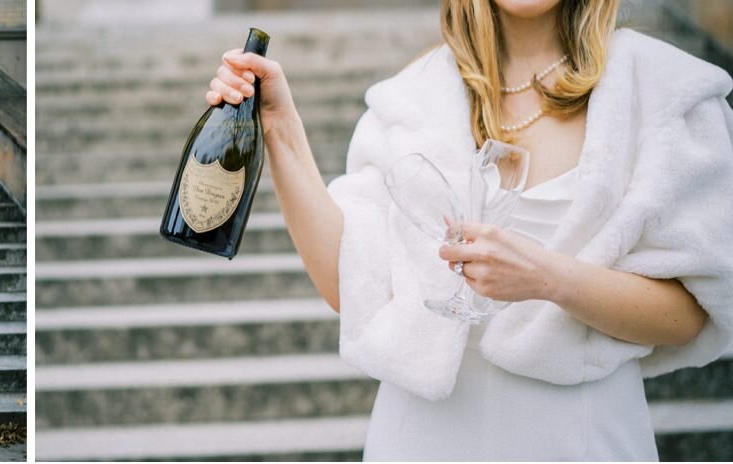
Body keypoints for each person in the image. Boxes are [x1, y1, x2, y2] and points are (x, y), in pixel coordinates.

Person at [204, 0, 732, 459]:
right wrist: (279, 127)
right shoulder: (411, 98)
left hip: (583, 438)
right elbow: (350, 287)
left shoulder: (662, 92)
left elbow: (693, 312)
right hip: (420, 440)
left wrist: (550, 279)